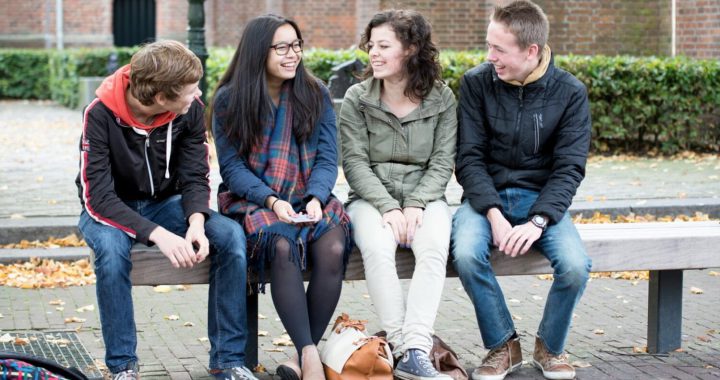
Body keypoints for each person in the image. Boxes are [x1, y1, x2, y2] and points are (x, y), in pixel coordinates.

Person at [76, 40, 256, 380]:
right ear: (160, 98)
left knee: (230, 235)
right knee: (113, 254)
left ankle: (229, 361)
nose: (198, 93)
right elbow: (98, 197)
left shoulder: (189, 110)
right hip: (109, 210)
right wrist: (161, 237)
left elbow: (195, 175)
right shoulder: (99, 115)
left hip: (166, 204)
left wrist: (197, 222)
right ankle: (122, 367)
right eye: (190, 89)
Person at [450, 1, 593, 380]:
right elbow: (468, 159)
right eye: (488, 45)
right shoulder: (476, 83)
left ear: (531, 51)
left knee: (576, 266)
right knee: (465, 253)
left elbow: (569, 169)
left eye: (499, 49)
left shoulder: (570, 93)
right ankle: (503, 345)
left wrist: (539, 221)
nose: (489, 56)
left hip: (541, 201)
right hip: (484, 201)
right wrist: (493, 214)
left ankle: (549, 347)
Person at [209, 14, 353, 380]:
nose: (294, 55)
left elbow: (326, 156)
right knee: (282, 246)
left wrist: (318, 198)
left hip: (309, 195)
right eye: (283, 48)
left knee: (334, 247)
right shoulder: (230, 100)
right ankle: (310, 354)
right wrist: (272, 201)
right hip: (255, 200)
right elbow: (232, 168)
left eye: (297, 45)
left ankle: (300, 354)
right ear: (260, 51)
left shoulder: (314, 92)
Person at [339, 10, 457, 380]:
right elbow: (355, 164)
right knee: (376, 247)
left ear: (411, 49)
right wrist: (389, 207)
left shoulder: (442, 98)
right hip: (371, 199)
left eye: (384, 46)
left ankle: (417, 347)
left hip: (426, 198)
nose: (373, 53)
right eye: (371, 45)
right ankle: (405, 346)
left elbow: (442, 162)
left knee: (435, 246)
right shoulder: (357, 98)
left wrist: (417, 203)